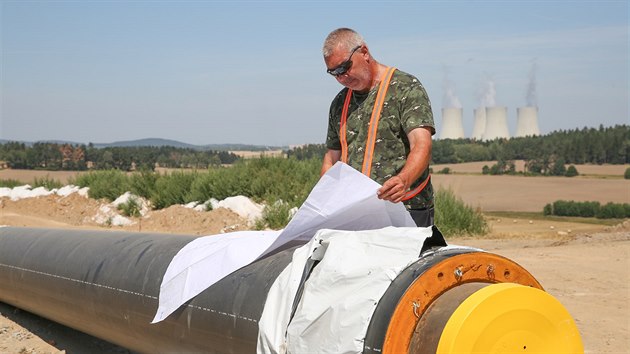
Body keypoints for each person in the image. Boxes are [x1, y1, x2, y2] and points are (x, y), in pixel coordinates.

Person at [320, 28, 436, 227]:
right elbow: (332, 158)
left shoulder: (405, 88)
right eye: (334, 73)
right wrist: (326, 199)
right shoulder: (339, 103)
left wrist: (404, 180)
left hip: (407, 210)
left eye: (345, 67)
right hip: (357, 213)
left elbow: (421, 144)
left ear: (364, 52)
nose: (341, 78)